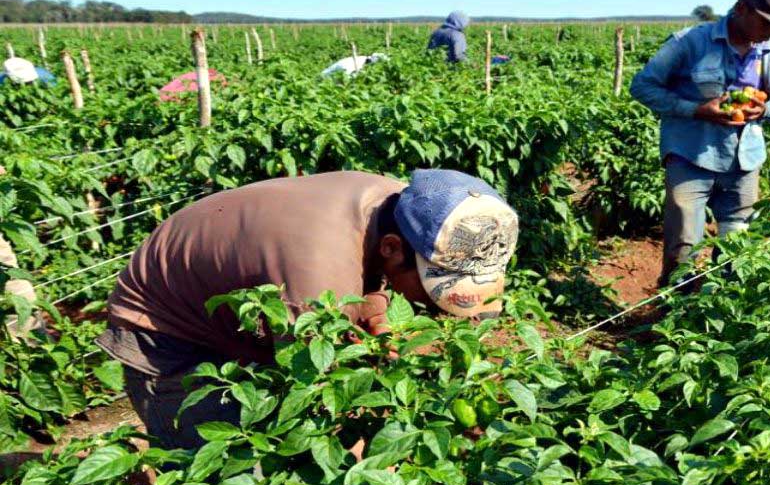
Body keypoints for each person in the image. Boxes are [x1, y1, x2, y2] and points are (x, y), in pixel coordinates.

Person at [97, 169, 519, 449]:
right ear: (393, 249)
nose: (432, 307)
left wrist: (380, 322)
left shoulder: (413, 208)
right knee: (226, 469)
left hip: (251, 298)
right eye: (432, 290)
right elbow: (315, 380)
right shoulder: (316, 276)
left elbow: (372, 283)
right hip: (165, 328)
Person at [630, 0, 770, 287]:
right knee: (683, 246)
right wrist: (696, 109)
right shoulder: (689, 43)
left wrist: (764, 108)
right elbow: (643, 86)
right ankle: (675, 313)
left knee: (736, 246)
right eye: (767, 22)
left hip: (745, 159)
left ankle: (723, 316)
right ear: (742, 8)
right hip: (690, 155)